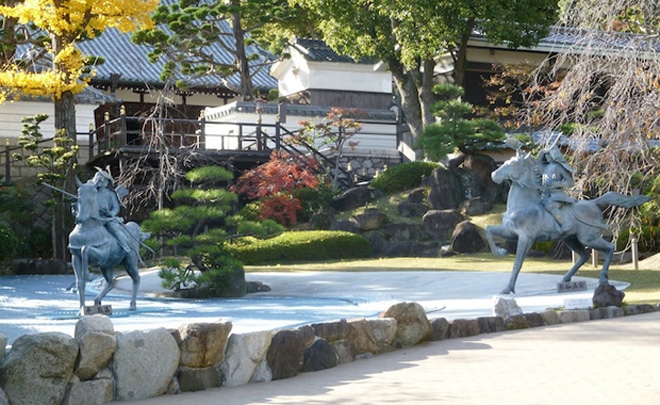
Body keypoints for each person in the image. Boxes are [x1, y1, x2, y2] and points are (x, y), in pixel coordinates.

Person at [92, 168, 132, 253]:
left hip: (106, 218)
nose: (100, 183)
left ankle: (125, 246)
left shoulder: (110, 194)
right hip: (94, 217)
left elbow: (116, 208)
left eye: (101, 181)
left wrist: (111, 213)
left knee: (113, 228)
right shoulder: (92, 193)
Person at [537, 145, 576, 232]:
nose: (547, 157)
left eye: (549, 154)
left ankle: (564, 224)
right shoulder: (545, 167)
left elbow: (571, 182)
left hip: (557, 195)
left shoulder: (559, 167)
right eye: (546, 155)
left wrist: (557, 183)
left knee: (550, 206)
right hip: (545, 195)